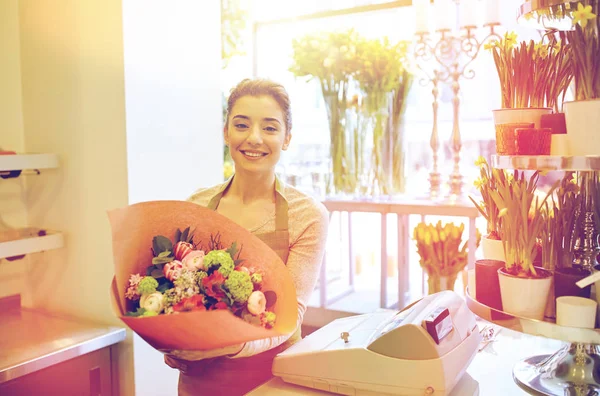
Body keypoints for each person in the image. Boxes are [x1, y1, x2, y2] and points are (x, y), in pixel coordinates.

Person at [164, 78, 330, 395]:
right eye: (241, 125)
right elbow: (176, 294)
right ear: (226, 132)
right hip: (199, 381)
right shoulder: (196, 205)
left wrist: (222, 346)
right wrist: (172, 339)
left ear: (286, 138)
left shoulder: (306, 215)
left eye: (269, 128)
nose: (254, 138)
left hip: (275, 380)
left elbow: (289, 317)